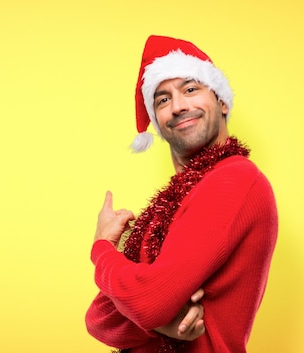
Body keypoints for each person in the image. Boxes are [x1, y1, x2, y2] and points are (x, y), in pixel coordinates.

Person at [85, 35, 278, 353]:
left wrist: (102, 248)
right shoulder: (176, 202)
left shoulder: (235, 180)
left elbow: (147, 304)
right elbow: (98, 320)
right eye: (162, 100)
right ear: (158, 124)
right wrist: (161, 323)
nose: (178, 106)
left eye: (191, 89)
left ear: (222, 101)